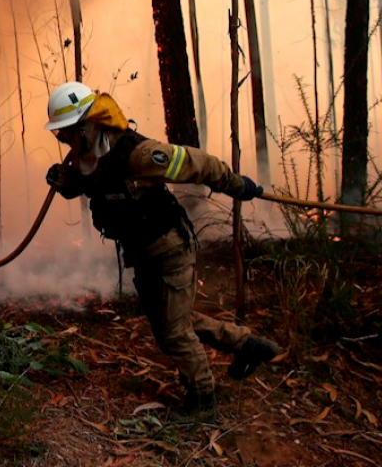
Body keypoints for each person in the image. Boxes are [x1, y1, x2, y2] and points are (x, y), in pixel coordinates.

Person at [43, 81, 283, 416]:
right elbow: (91, 186)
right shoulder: (91, 157)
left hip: (169, 249)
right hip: (142, 254)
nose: (63, 141)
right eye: (60, 136)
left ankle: (203, 400)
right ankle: (245, 344)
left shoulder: (139, 155)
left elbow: (198, 163)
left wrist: (236, 185)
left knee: (173, 332)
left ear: (86, 126)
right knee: (172, 323)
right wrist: (66, 183)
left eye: (64, 134)